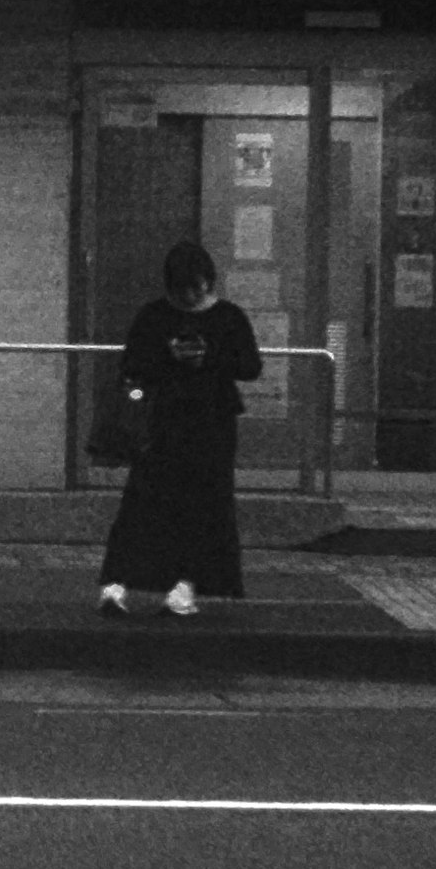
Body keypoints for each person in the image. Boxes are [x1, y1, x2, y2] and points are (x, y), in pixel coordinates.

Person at [99, 238, 264, 617]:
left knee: (179, 505)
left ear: (208, 281)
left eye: (197, 287)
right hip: (177, 422)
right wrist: (180, 359)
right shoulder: (191, 316)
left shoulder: (212, 316)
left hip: (201, 423)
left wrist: (204, 358)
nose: (190, 296)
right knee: (153, 504)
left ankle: (169, 584)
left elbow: (251, 366)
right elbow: (132, 366)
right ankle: (137, 585)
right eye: (182, 288)